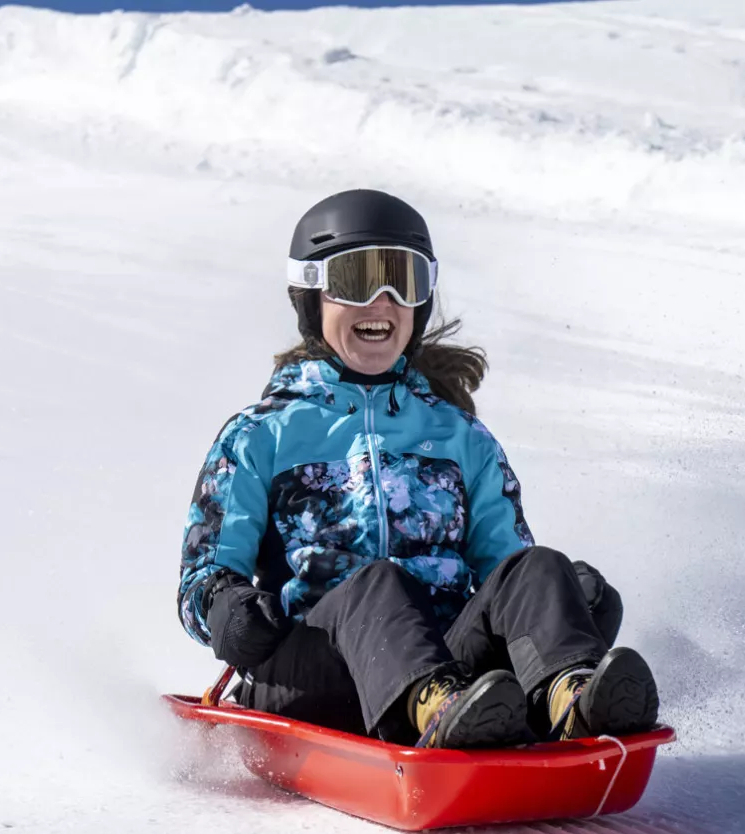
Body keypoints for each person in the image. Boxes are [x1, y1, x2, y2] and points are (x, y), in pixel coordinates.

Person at [177, 189, 660, 749]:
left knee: (540, 566)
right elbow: (202, 577)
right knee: (378, 583)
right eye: (356, 280)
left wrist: (559, 602)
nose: (380, 301)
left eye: (401, 281)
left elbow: (506, 569)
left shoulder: (459, 437)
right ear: (312, 296)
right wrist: (227, 610)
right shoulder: (262, 435)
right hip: (311, 671)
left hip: (451, 667)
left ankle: (570, 699)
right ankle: (437, 709)